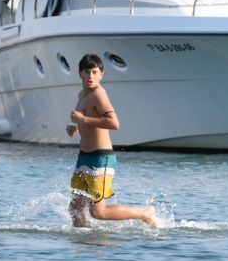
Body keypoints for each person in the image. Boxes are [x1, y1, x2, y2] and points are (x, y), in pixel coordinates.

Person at [66, 54, 160, 228]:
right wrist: (77, 127)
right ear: (80, 74)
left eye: (95, 72)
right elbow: (89, 119)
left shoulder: (98, 94)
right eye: (87, 72)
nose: (91, 76)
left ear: (102, 74)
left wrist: (84, 120)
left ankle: (144, 213)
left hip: (101, 158)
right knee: (75, 209)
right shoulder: (82, 95)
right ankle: (84, 249)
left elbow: (113, 123)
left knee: (98, 212)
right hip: (84, 157)